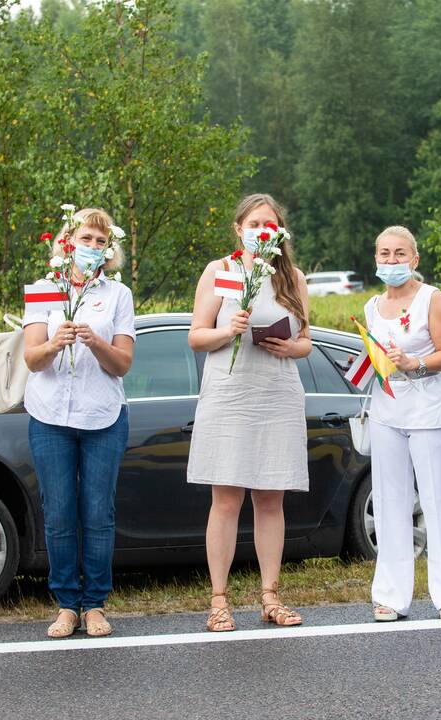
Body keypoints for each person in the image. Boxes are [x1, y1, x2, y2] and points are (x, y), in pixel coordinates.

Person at [187, 193, 311, 632]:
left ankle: (270, 596)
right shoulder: (220, 271)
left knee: (271, 499)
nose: (263, 230)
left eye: (270, 224)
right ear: (239, 229)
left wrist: (290, 346)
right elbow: (196, 336)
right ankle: (219, 600)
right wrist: (227, 330)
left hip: (276, 393)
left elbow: (307, 341)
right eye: (255, 223)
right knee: (226, 500)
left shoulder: (292, 277)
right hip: (230, 395)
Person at [23, 208, 135, 638]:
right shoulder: (43, 290)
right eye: (85, 238)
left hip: (102, 414)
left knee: (97, 512)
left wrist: (95, 340)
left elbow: (123, 363)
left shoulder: (118, 295)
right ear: (68, 243)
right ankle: (67, 604)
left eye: (100, 242)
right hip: (49, 414)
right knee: (58, 512)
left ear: (109, 250)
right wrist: (55, 342)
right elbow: (33, 358)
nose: (92, 247)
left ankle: (95, 605)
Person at [364, 226, 441, 622]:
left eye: (399, 254)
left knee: (437, 501)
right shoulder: (372, 305)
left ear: (414, 259)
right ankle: (391, 595)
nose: (392, 261)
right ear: (376, 259)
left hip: (426, 410)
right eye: (385, 254)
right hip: (387, 410)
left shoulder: (431, 298)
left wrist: (414, 364)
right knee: (390, 502)